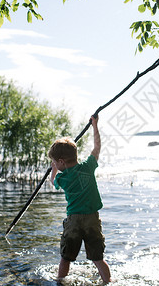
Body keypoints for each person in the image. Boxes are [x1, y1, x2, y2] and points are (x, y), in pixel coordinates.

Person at [48, 115, 111, 283]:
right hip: (92, 218)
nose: (55, 164)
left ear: (60, 162)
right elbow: (97, 146)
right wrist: (95, 125)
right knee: (98, 258)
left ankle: (60, 281)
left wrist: (53, 169)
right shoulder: (88, 167)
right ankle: (108, 282)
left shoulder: (62, 178)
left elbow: (52, 181)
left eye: (55, 161)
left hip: (74, 221)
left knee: (66, 258)